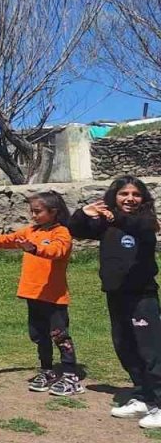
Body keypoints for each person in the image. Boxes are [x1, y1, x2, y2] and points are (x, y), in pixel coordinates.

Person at [67, 176, 161, 427]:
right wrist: (83, 214)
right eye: (124, 194)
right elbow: (76, 230)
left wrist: (111, 216)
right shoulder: (107, 224)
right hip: (116, 294)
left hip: (142, 295)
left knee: (150, 350)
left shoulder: (147, 221)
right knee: (125, 346)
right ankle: (145, 396)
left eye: (136, 194)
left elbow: (133, 225)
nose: (130, 198)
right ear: (114, 197)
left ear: (143, 199)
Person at [0, 192, 82, 396]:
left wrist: (35, 249)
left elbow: (57, 251)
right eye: (31, 211)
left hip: (54, 296)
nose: (33, 215)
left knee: (60, 336)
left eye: (37, 211)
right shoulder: (30, 231)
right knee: (39, 335)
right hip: (33, 294)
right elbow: (5, 240)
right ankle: (47, 370)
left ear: (53, 212)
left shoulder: (62, 232)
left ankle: (70, 375)